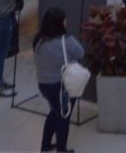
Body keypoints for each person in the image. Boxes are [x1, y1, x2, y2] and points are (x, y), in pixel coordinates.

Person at [33, 8, 84, 153]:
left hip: (44, 85)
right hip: (61, 86)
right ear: (60, 23)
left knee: (55, 112)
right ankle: (61, 150)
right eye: (64, 19)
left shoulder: (39, 40)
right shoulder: (66, 41)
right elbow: (81, 53)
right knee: (63, 117)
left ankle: (45, 145)